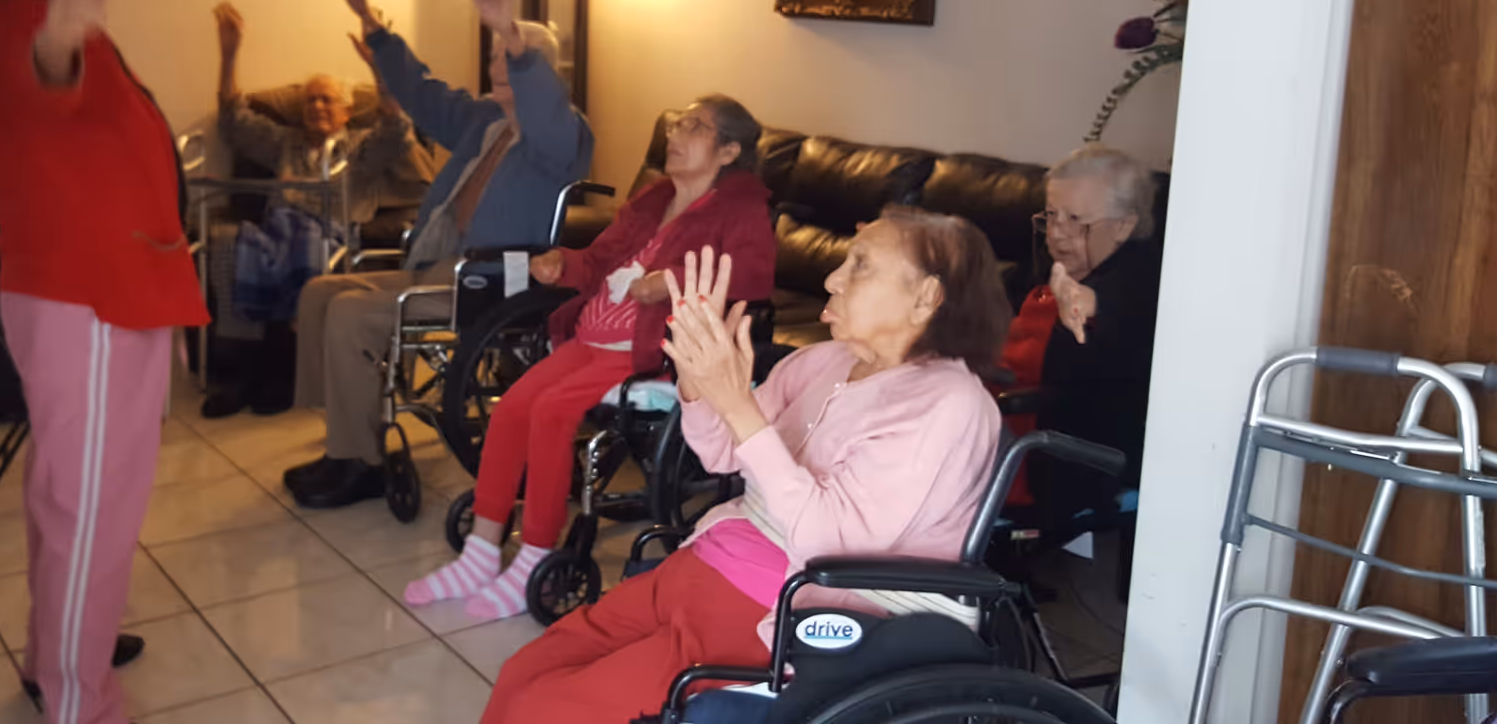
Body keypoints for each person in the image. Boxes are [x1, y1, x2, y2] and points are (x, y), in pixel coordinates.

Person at [482, 210, 1010, 724]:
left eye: (860, 265)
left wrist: (737, 401)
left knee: (546, 711)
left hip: (784, 610)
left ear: (927, 298)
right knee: (524, 671)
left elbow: (830, 541)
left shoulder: (948, 404)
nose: (832, 278)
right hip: (706, 560)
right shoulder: (819, 361)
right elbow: (721, 452)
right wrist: (696, 377)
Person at [0, 0, 207, 724]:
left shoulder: (27, 20)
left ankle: (56, 657)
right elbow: (46, 80)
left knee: (72, 495)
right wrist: (65, 30)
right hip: (90, 299)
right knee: (89, 507)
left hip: (111, 290)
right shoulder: (20, 26)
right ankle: (79, 701)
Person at [404, 96, 776, 620]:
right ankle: (480, 552)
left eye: (695, 126)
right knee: (513, 406)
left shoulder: (740, 208)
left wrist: (664, 285)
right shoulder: (653, 199)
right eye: (677, 121)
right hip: (591, 337)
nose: (676, 133)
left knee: (552, 412)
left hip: (649, 349)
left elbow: (751, 279)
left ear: (729, 150)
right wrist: (563, 264)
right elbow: (600, 260)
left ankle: (535, 555)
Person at [285, 0, 594, 509]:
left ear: (539, 72)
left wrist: (511, 32)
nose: (496, 64)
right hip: (438, 262)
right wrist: (370, 22)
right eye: (497, 55)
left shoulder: (562, 138)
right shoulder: (486, 121)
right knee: (320, 293)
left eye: (509, 57)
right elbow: (422, 94)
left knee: (352, 313)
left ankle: (361, 464)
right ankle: (345, 436)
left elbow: (546, 111)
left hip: (490, 283)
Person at [199, 2, 413, 419]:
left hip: (330, 235)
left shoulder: (361, 147)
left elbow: (398, 131)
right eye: (310, 100)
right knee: (229, 242)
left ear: (347, 111)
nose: (315, 107)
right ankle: (240, 373)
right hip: (277, 232)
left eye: (326, 100)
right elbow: (232, 120)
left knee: (307, 244)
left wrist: (379, 69)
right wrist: (228, 56)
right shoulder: (285, 142)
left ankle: (281, 370)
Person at [1003, 144, 1163, 516]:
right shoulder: (1055, 262)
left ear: (1124, 225)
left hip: (1073, 458)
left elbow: (1088, 382)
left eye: (1076, 220)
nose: (1057, 234)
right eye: (1051, 216)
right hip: (1016, 434)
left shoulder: (1136, 286)